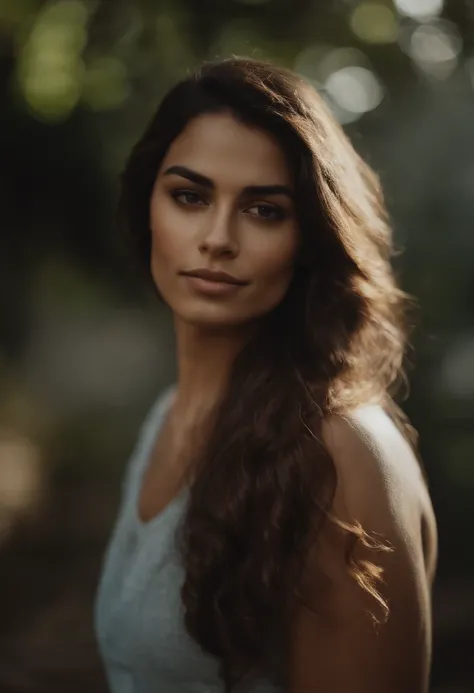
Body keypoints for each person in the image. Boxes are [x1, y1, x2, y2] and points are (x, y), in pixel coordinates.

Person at [94, 57, 438, 693]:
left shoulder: (340, 453)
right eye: (190, 197)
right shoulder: (166, 417)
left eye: (263, 211)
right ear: (148, 208)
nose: (217, 238)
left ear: (309, 239)